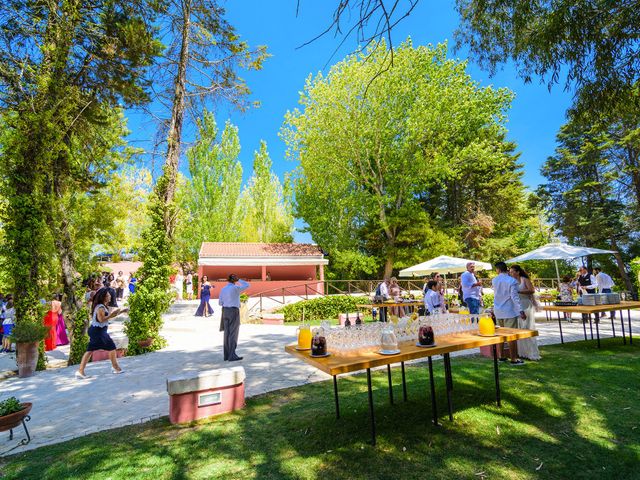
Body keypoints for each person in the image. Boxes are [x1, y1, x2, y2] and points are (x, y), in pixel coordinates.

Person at [75, 288, 126, 378]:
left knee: (90, 350)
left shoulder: (102, 306)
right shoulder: (100, 307)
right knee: (111, 347)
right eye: (108, 295)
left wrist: (121, 311)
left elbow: (107, 316)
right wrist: (111, 315)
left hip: (97, 331)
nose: (110, 296)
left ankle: (80, 371)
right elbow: (101, 319)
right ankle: (116, 367)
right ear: (103, 297)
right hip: (98, 331)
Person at [492, 261, 526, 365]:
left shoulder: (494, 280)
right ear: (506, 269)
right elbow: (514, 297)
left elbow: (496, 295)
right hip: (509, 310)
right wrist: (521, 310)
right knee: (512, 336)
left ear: (498, 270)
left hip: (498, 310)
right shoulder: (512, 280)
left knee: (500, 335)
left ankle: (501, 356)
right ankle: (514, 358)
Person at [509, 265, 540, 360]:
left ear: (518, 272)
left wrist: (518, 292)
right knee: (519, 328)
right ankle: (521, 352)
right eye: (510, 272)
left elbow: (531, 290)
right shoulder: (511, 281)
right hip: (516, 306)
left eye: (512, 271)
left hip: (526, 304)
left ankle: (531, 352)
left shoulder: (524, 279)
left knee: (527, 327)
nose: (511, 273)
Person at [219, 274, 250, 361]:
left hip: (225, 311)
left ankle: (227, 355)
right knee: (233, 333)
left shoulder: (223, 289)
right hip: (233, 311)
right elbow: (247, 285)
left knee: (226, 333)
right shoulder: (235, 288)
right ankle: (232, 355)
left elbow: (220, 303)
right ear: (234, 280)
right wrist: (239, 280)